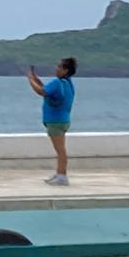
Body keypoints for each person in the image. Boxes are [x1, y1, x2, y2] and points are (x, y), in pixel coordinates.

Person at [28, 57, 77, 186]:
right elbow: (46, 89)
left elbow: (41, 91)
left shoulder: (57, 82)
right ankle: (59, 173)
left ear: (65, 70)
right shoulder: (67, 83)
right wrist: (35, 78)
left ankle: (62, 177)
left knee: (60, 150)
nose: (56, 68)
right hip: (63, 120)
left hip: (56, 121)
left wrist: (30, 80)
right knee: (60, 149)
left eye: (59, 67)